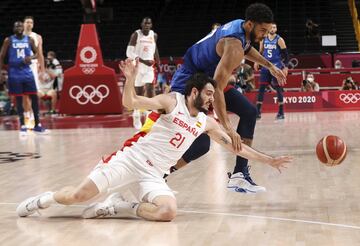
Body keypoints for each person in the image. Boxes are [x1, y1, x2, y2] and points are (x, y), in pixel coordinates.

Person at [16, 59, 292, 221]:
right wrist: (130, 80)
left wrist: (268, 160)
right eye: (209, 94)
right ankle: (45, 200)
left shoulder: (206, 122)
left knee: (168, 212)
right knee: (78, 196)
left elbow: (236, 146)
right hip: (129, 160)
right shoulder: (171, 101)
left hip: (153, 174)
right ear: (194, 91)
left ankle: (122, 206)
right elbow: (132, 103)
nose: (212, 99)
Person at [137, 3, 286, 193]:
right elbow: (216, 90)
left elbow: (247, 49)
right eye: (263, 30)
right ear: (250, 24)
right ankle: (157, 176)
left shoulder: (242, 29)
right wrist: (228, 128)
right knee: (201, 144)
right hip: (188, 83)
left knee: (249, 112)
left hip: (207, 80)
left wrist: (269, 66)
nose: (265, 34)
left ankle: (239, 175)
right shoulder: (233, 47)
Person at [0, 21, 49, 134]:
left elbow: (38, 53)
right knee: (19, 98)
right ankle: (23, 125)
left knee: (34, 96)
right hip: (14, 72)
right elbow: (1, 56)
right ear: (13, 28)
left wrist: (30, 57)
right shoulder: (9, 40)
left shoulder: (29, 39)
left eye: (20, 26)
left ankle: (37, 124)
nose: (19, 28)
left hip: (27, 71)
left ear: (23, 28)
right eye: (16, 26)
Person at [126, 17, 160, 129]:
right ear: (141, 24)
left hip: (149, 68)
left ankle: (149, 115)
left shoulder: (153, 35)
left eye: (149, 23)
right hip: (138, 67)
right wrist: (144, 61)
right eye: (145, 23)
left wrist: (158, 61)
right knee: (139, 92)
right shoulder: (136, 34)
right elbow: (129, 52)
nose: (147, 25)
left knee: (150, 89)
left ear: (151, 25)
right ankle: (136, 114)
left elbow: (154, 48)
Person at [254, 23, 289, 120]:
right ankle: (257, 112)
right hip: (265, 67)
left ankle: (281, 112)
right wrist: (256, 62)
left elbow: (286, 55)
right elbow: (260, 52)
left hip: (276, 66)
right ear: (268, 28)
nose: (273, 29)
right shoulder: (263, 39)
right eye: (272, 27)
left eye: (275, 27)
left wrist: (285, 67)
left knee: (278, 89)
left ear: (276, 29)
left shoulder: (279, 39)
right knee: (261, 88)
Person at [23, 16, 45, 128]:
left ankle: (33, 115)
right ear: (23, 23)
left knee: (33, 92)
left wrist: (43, 69)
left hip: (33, 66)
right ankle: (27, 115)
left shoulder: (37, 36)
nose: (29, 24)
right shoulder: (17, 37)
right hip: (20, 66)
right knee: (23, 93)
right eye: (27, 22)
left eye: (31, 22)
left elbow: (40, 53)